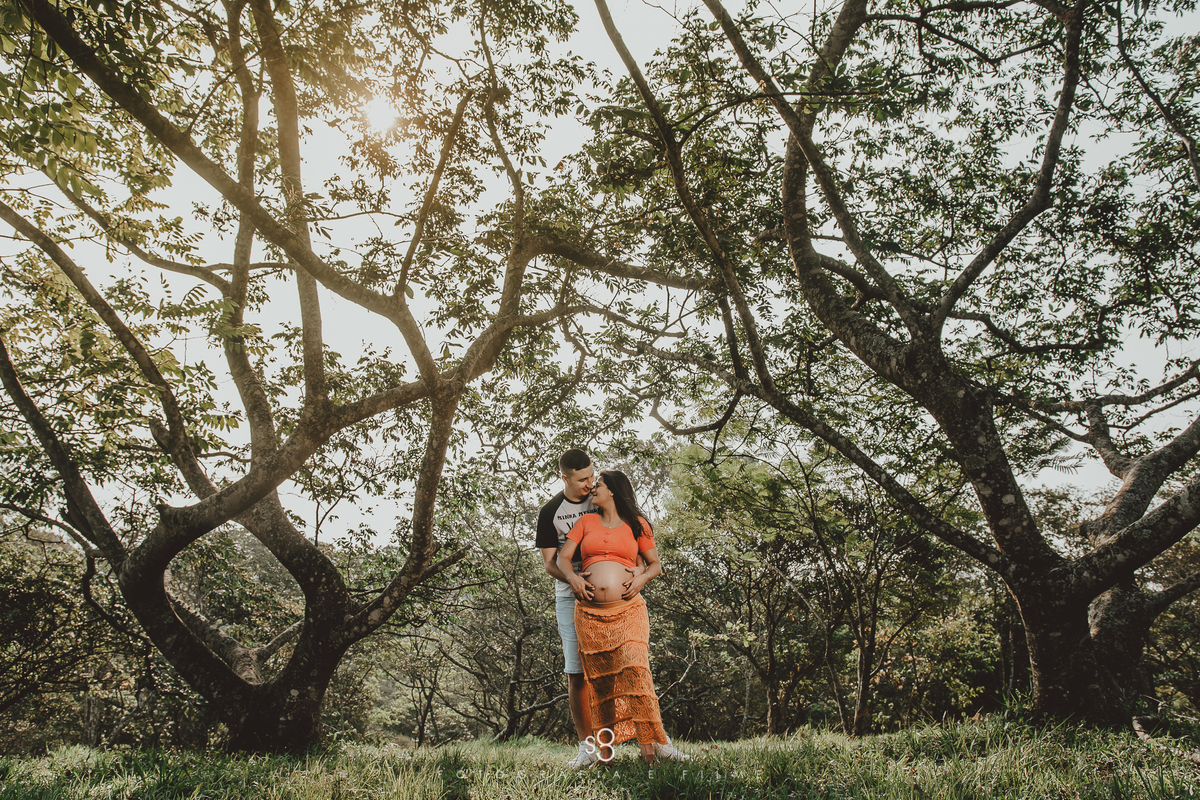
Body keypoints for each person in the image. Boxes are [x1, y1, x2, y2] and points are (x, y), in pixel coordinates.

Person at [557, 470, 689, 764]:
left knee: (635, 669)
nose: (594, 488)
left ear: (613, 491)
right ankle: (606, 756)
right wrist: (574, 579)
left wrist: (641, 578)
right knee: (601, 683)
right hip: (590, 615)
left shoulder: (637, 524)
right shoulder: (585, 522)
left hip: (629, 610)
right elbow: (563, 558)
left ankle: (652, 749)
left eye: (599, 484)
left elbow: (655, 564)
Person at [536, 448, 600, 768]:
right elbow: (550, 563)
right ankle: (587, 749)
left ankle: (626, 742)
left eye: (592, 476)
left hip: (607, 596)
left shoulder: (600, 499)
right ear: (564, 478)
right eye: (582, 479)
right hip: (568, 597)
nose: (589, 483)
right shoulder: (550, 511)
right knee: (577, 674)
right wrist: (573, 579)